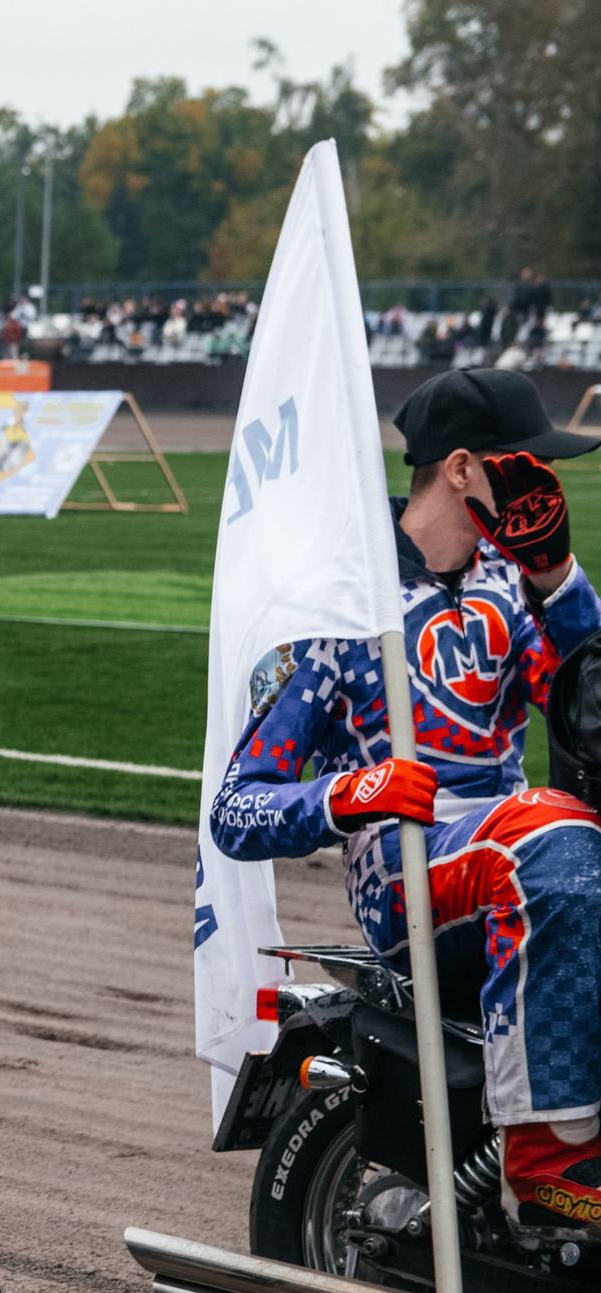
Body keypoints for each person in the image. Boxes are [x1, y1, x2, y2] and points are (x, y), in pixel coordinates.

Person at [210, 367, 601, 1227]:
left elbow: (592, 708)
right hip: (410, 875)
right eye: (525, 461)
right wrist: (354, 792)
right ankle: (546, 1160)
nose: (545, 478)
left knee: (554, 831)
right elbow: (236, 808)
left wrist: (559, 577)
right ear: (463, 468)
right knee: (552, 833)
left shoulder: (517, 583)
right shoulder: (344, 604)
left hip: (526, 846)